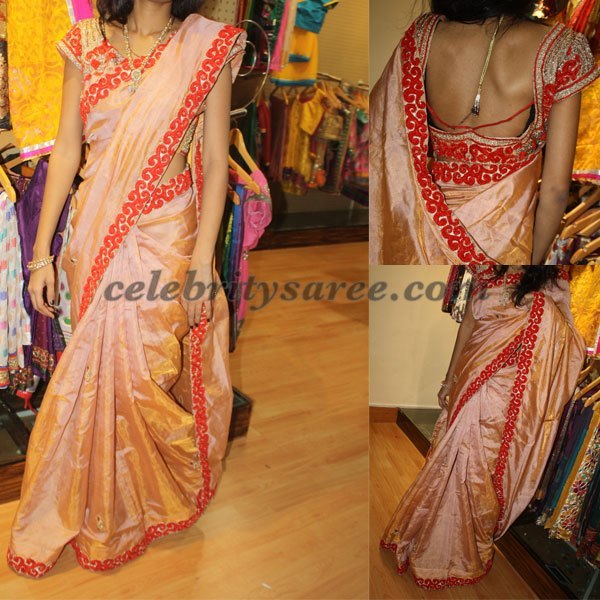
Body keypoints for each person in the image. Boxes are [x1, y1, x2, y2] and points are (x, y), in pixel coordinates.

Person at [7, 0, 246, 577]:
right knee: (92, 371)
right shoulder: (85, 42)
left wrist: (202, 260)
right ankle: (88, 504)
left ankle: (140, 497)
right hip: (95, 228)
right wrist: (39, 255)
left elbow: (216, 161)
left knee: (142, 374)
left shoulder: (207, 43)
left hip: (168, 232)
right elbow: (67, 150)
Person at [380, 265, 586, 588]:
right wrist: (449, 379)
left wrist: (539, 313)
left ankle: (458, 545)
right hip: (471, 379)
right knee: (452, 458)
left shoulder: (548, 283)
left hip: (502, 394)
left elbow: (567, 344)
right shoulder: (485, 270)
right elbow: (468, 326)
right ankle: (434, 536)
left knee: (477, 466)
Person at [370, 1, 600, 265]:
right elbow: (556, 191)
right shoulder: (562, 49)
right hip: (505, 243)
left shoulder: (424, 35)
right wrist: (530, 265)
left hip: (424, 235)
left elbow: (387, 145)